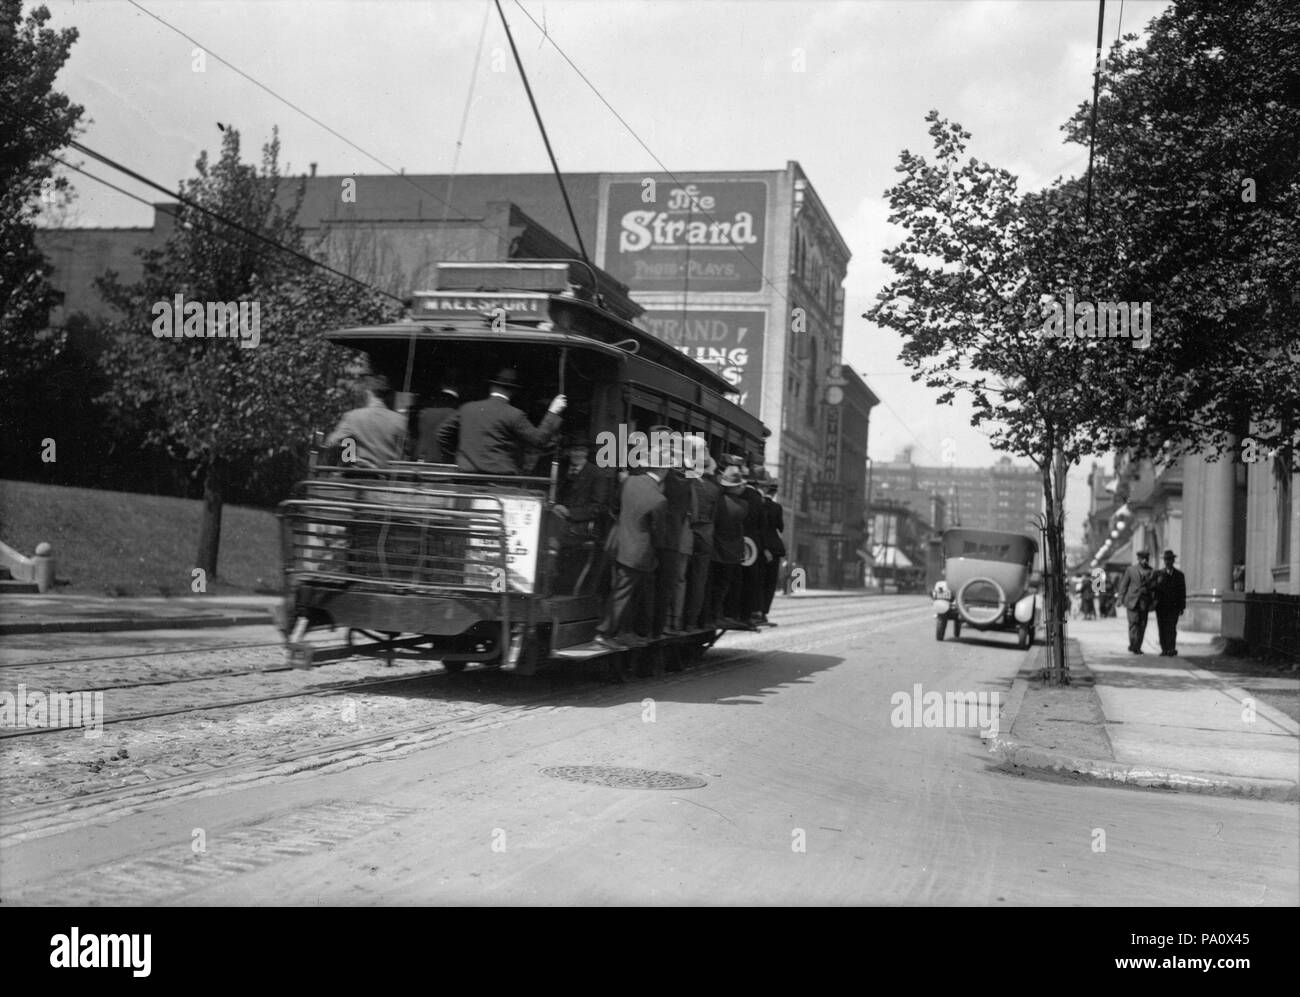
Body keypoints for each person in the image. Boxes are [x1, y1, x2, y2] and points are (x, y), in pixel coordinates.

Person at [593, 462, 667, 649]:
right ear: (664, 470)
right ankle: (605, 633)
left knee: (621, 590)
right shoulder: (659, 499)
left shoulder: (630, 481)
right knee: (624, 593)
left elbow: (615, 507)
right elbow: (658, 533)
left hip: (617, 544)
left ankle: (622, 632)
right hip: (638, 553)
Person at [436, 368, 565, 475]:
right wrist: (553, 411)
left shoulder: (467, 408)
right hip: (501, 482)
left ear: (491, 387)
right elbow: (539, 440)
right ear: (513, 391)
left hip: (466, 477)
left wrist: (460, 455)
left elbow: (442, 433)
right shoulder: (514, 414)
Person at [648, 429, 694, 638]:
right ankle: (660, 627)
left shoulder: (675, 480)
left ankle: (657, 629)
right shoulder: (681, 479)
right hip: (665, 539)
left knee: (660, 584)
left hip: (662, 538)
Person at [553, 436, 613, 594]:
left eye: (581, 450)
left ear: (586, 453)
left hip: (583, 525)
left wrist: (569, 513)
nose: (577, 454)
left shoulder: (596, 474)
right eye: (574, 450)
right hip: (561, 521)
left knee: (553, 536)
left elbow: (598, 507)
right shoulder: (561, 471)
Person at [325, 373, 407, 470]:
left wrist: (350, 455)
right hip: (388, 482)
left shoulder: (353, 417)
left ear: (368, 393)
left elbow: (331, 443)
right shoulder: (401, 420)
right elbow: (407, 453)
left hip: (358, 479)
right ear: (389, 396)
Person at [708, 462, 752, 629]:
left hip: (715, 548)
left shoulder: (718, 500)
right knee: (723, 586)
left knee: (711, 584)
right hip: (732, 552)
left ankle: (710, 614)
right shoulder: (743, 506)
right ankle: (718, 615)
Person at [683, 454, 722, 630]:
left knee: (679, 578)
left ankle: (675, 620)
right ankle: (691, 621)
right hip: (706, 536)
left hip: (687, 534)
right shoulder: (714, 488)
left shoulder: (687, 483)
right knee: (699, 581)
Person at [1116, 550, 1157, 654]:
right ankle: (1134, 645)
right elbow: (1124, 585)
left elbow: (1154, 589)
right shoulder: (1131, 570)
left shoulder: (1151, 571)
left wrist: (1153, 602)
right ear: (1138, 559)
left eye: (1146, 559)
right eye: (1142, 559)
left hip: (1144, 602)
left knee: (1142, 625)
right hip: (1131, 601)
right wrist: (1120, 599)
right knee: (1133, 623)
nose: (1144, 561)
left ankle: (1137, 646)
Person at [412, 383, 460, 463]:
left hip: (422, 458)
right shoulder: (454, 415)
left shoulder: (424, 413)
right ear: (453, 400)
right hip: (444, 460)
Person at [759, 478, 785, 625]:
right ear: (774, 492)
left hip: (758, 546)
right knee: (770, 583)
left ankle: (754, 610)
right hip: (773, 548)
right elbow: (780, 527)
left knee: (758, 581)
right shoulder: (777, 508)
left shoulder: (759, 504)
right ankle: (764, 612)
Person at [1153, 549, 1187, 656]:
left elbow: (1182, 592)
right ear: (1164, 561)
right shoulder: (1158, 574)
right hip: (1161, 607)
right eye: (1166, 559)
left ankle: (1171, 648)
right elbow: (1154, 589)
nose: (1168, 562)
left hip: (1174, 607)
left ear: (1173, 561)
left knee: (1172, 628)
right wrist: (1154, 603)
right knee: (1162, 628)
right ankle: (1164, 649)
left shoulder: (1179, 575)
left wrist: (1182, 607)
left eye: (1170, 559)